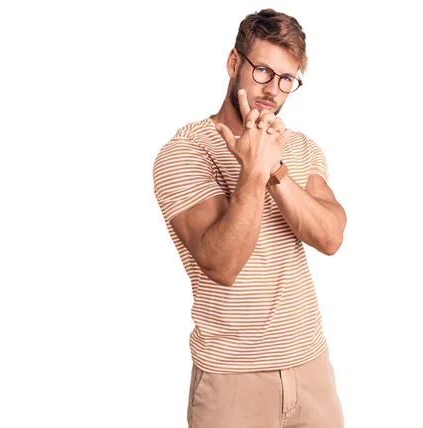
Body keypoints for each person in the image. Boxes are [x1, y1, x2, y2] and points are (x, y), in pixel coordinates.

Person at [153, 8, 347, 428]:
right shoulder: (185, 153)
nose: (272, 89)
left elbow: (330, 236)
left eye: (286, 79)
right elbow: (223, 264)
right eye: (262, 70)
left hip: (311, 368)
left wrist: (276, 169)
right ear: (234, 63)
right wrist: (253, 172)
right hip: (232, 381)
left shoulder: (299, 147)